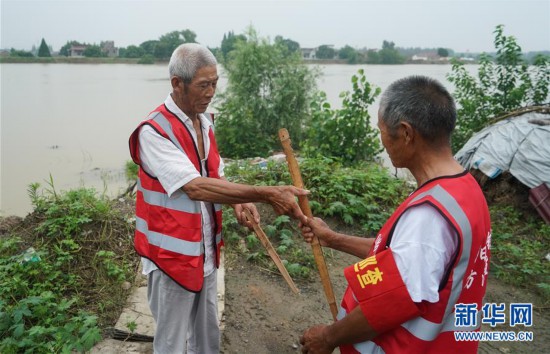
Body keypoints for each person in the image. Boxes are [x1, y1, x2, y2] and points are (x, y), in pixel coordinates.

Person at [128, 43, 308, 354]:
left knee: (207, 337)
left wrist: (238, 201)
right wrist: (266, 193)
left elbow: (215, 176)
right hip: (170, 260)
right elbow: (195, 187)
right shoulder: (153, 131)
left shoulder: (205, 122)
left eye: (215, 83)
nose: (211, 92)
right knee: (172, 344)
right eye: (203, 85)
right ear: (176, 83)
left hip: (206, 254)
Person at [299, 76, 491, 354]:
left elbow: (391, 302)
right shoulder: (464, 189)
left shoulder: (429, 216)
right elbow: (403, 258)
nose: (383, 141)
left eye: (382, 130)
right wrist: (331, 238)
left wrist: (328, 337)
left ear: (405, 133)